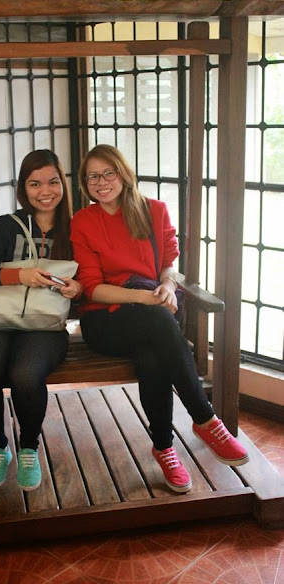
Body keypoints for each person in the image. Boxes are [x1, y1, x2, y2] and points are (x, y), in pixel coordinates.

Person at [70, 144, 248, 494]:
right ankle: (205, 419)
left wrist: (166, 285)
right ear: (85, 183)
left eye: (108, 173)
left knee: (152, 356)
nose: (101, 182)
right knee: (158, 323)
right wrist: (145, 298)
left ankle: (164, 447)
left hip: (152, 318)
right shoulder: (84, 222)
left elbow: (169, 263)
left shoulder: (154, 211)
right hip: (104, 321)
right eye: (92, 177)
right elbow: (92, 289)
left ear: (123, 174)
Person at [0, 149, 81, 491]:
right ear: (23, 188)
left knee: (25, 375)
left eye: (53, 182)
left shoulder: (78, 229)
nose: (45, 191)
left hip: (45, 325)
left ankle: (28, 446)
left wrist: (78, 288)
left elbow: (91, 276)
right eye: (34, 183)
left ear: (63, 184)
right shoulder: (5, 226)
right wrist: (19, 275)